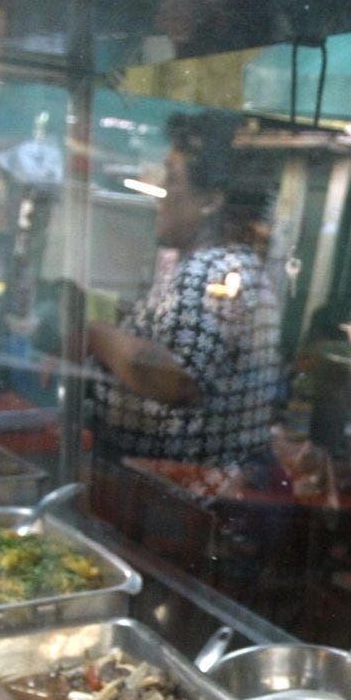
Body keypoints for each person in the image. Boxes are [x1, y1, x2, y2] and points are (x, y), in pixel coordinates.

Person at [84, 112, 283, 465]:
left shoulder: (212, 269)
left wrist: (93, 334)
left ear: (210, 201)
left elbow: (176, 379)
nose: (160, 194)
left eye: (171, 179)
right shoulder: (234, 265)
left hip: (186, 491)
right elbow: (186, 339)